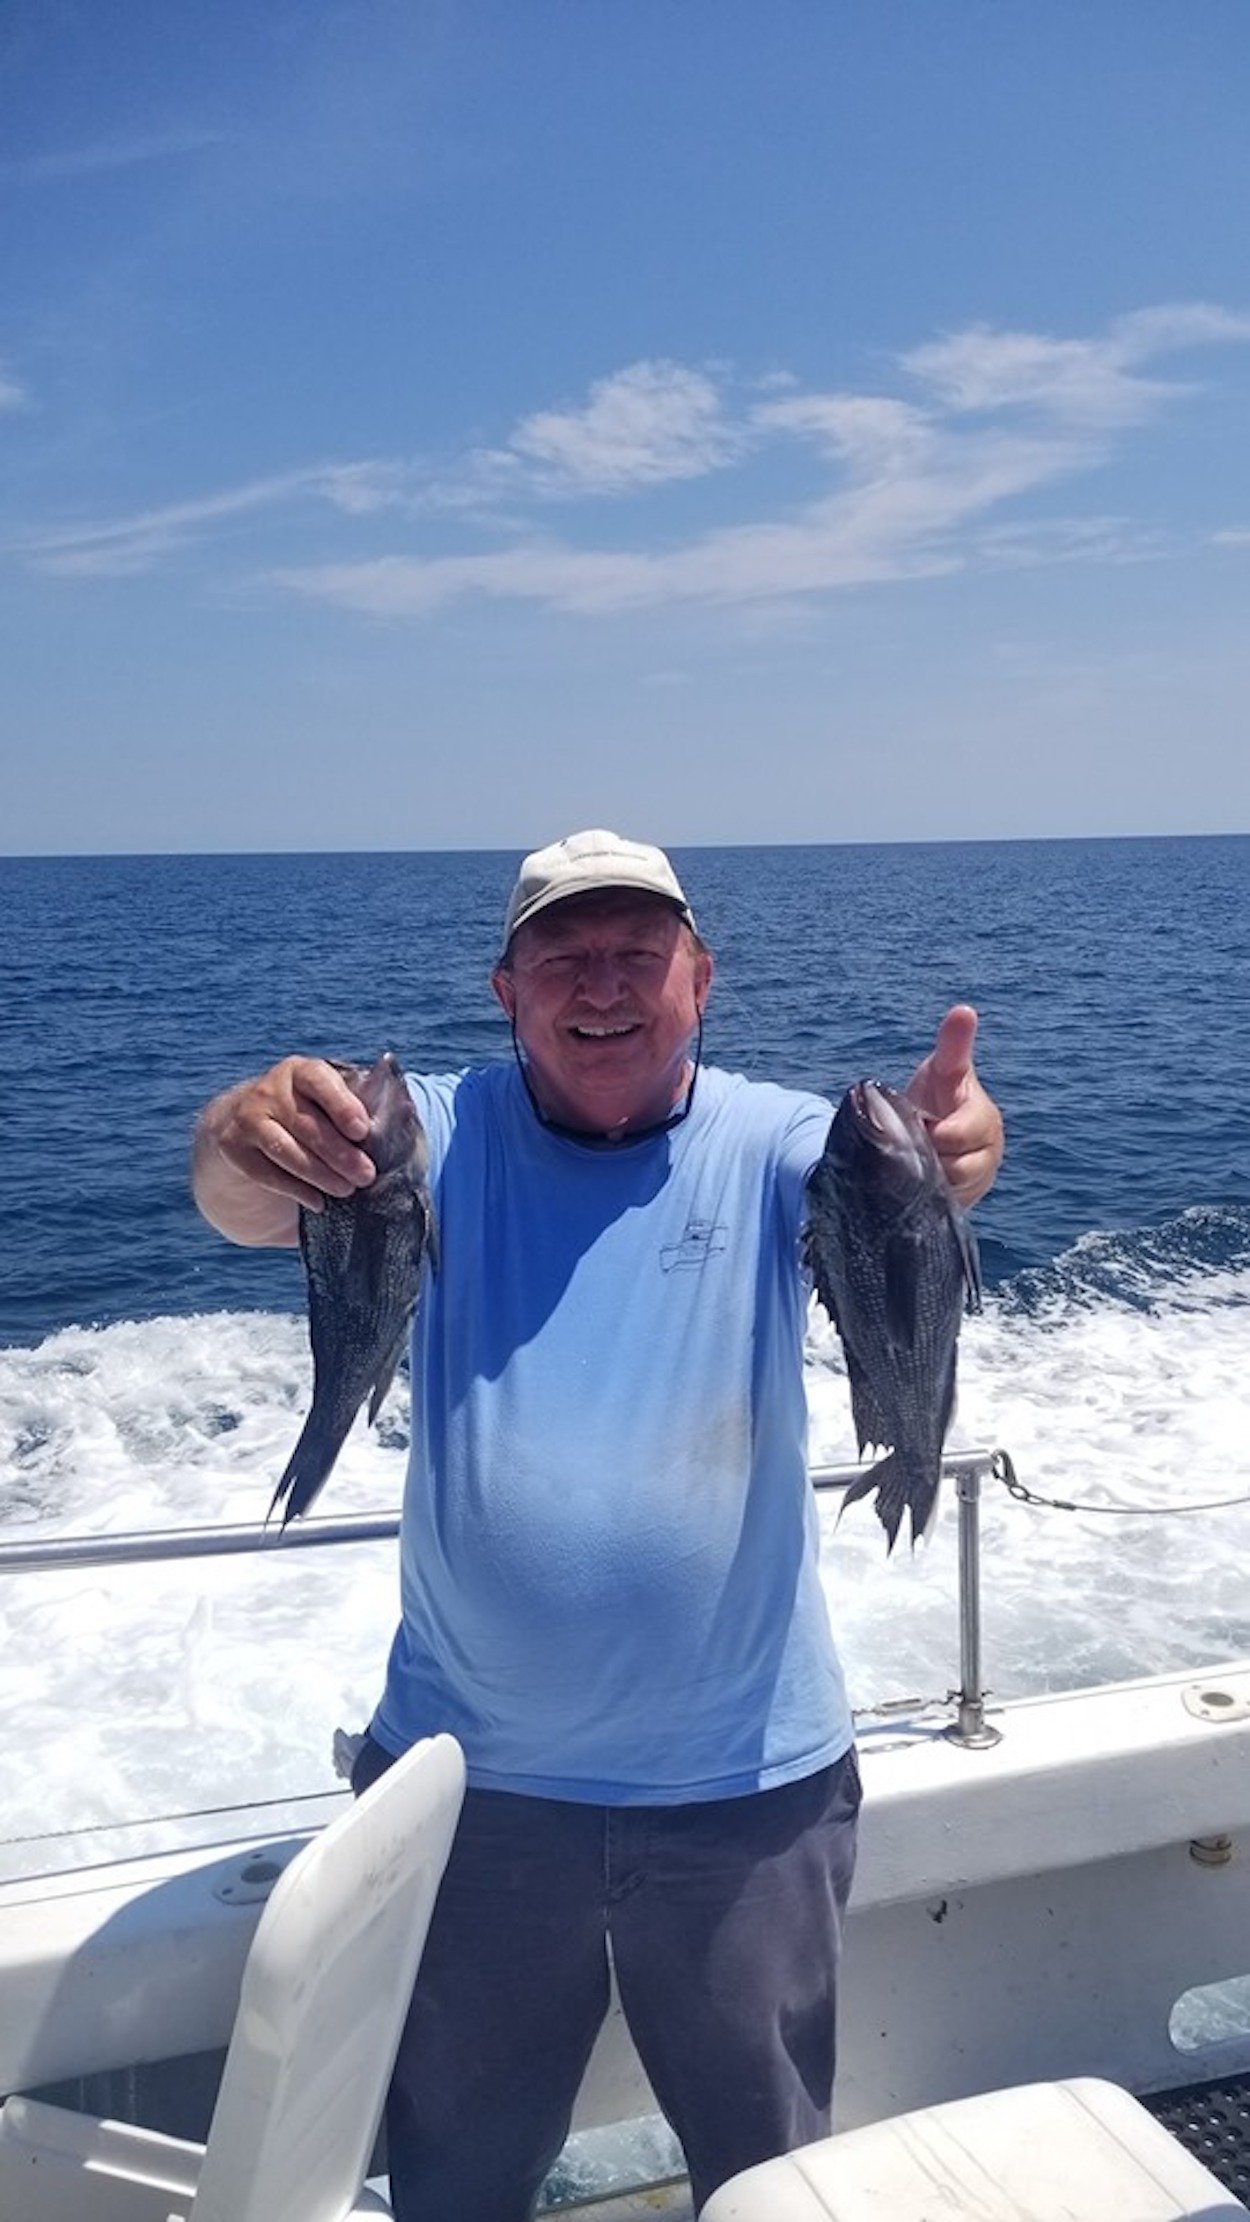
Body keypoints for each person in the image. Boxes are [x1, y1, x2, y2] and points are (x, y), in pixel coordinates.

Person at [192, 828, 1004, 2220]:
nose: (603, 982)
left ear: (703, 979)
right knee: (456, 2175)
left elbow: (915, 1181)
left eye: (639, 951)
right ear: (505, 993)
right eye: (562, 955)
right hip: (468, 1791)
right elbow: (242, 1200)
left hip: (747, 1790)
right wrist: (243, 1129)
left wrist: (958, 1154)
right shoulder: (429, 1132)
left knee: (773, 2176)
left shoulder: (773, 1137)